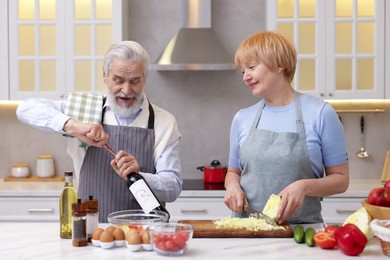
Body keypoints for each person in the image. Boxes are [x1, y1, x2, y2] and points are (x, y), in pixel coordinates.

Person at [17, 41, 183, 222]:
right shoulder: (84, 110)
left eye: (135, 81)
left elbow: (172, 188)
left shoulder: (164, 121)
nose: (126, 90)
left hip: (145, 232)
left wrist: (138, 176)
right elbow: (25, 109)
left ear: (145, 78)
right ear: (105, 76)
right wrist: (75, 126)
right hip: (90, 229)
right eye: (118, 80)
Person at [224, 32, 349, 224]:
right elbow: (233, 172)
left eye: (251, 67)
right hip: (246, 229)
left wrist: (304, 186)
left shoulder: (321, 113)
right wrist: (232, 188)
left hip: (301, 233)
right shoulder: (243, 118)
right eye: (243, 71)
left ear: (278, 64)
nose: (245, 77)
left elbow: (341, 179)